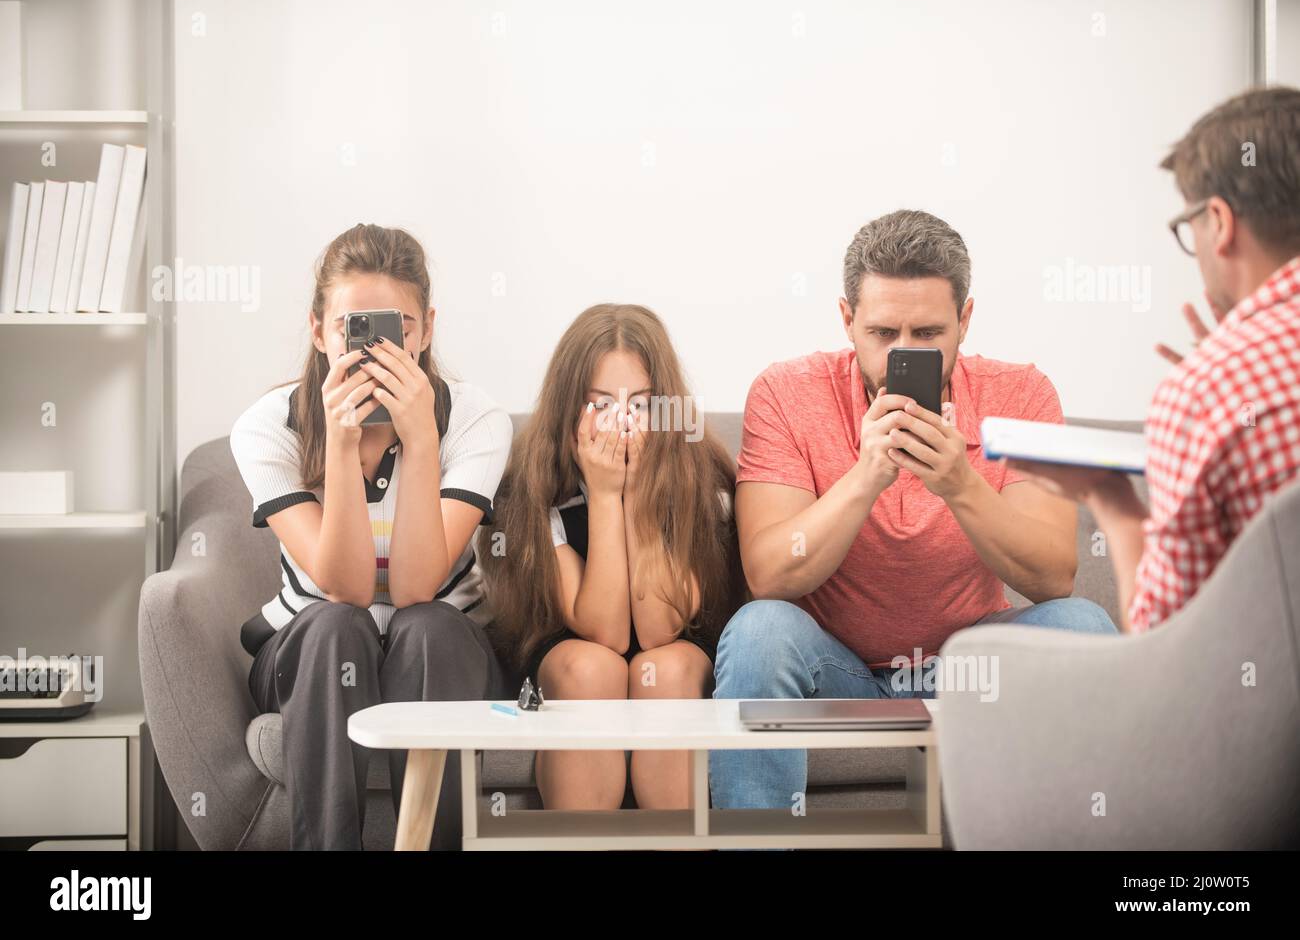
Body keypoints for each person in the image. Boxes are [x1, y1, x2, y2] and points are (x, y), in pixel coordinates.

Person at [710, 209, 1115, 810]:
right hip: (835, 664)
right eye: (882, 334)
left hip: (966, 667)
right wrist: (867, 476)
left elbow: (1053, 577)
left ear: (965, 320)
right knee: (759, 632)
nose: (904, 353)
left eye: (928, 334)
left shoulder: (1023, 395)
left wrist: (960, 485)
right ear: (847, 320)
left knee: (1083, 629)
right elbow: (768, 575)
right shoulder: (786, 392)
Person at [229, 224, 513, 849]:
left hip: (442, 648)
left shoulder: (474, 419)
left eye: (397, 329)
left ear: (427, 329)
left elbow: (415, 588)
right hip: (316, 647)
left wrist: (421, 441)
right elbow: (348, 588)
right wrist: (342, 443)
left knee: (431, 625)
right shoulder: (265, 427)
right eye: (351, 330)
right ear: (318, 331)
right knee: (337, 625)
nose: (375, 351)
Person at [1011, 86, 1300, 632]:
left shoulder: (1208, 390)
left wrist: (1112, 502)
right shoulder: (1230, 379)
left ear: (1219, 221)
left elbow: (1164, 652)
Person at [478, 303, 747, 810]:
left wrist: (639, 495)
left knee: (664, 669)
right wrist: (603, 496)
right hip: (571, 643)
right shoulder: (533, 482)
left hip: (675, 640)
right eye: (600, 404)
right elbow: (604, 632)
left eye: (640, 405)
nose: (622, 423)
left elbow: (656, 630)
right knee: (592, 667)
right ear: (568, 408)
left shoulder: (701, 472)